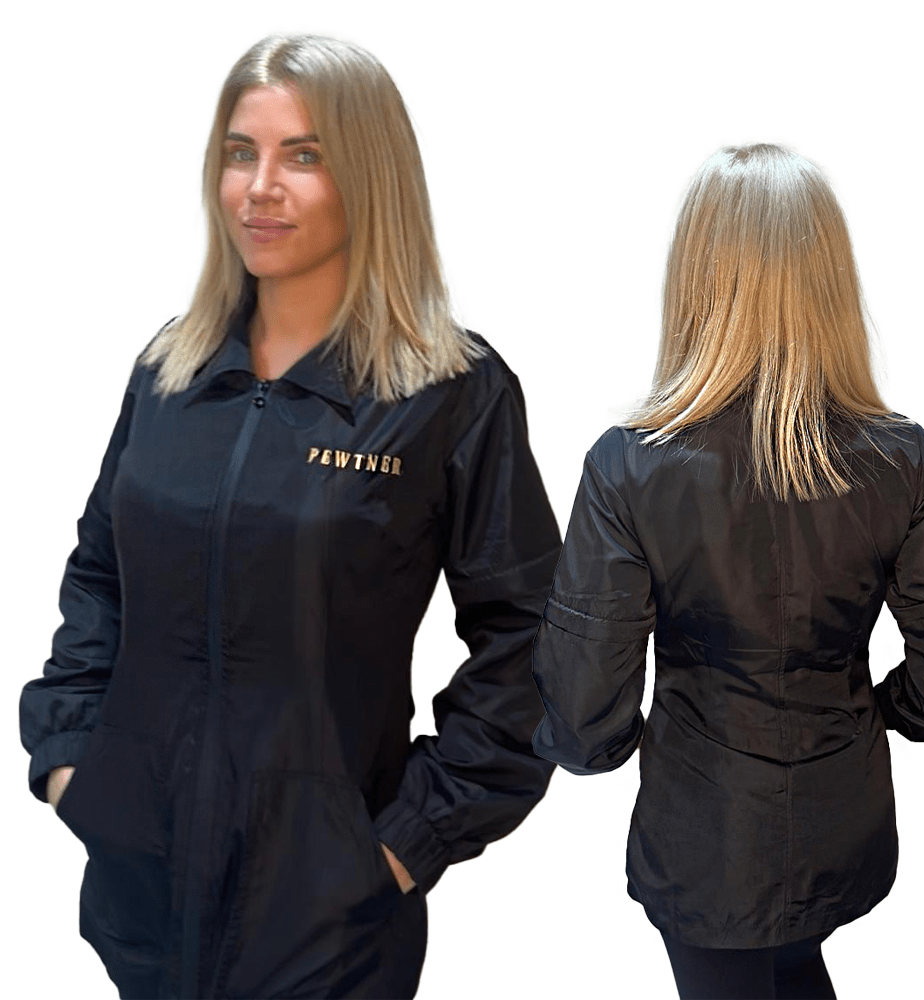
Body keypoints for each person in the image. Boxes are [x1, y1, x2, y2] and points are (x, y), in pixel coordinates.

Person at [19, 33, 561, 1000]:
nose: (259, 188)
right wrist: (72, 762)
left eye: (303, 156)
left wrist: (404, 841)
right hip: (141, 904)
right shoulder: (170, 373)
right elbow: (99, 576)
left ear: (370, 178)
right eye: (241, 153)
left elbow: (532, 640)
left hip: (326, 930)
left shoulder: (449, 394)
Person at [529, 143, 924, 1000]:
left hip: (704, 836)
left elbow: (587, 721)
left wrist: (622, 740)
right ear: (829, 280)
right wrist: (867, 715)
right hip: (842, 815)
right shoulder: (906, 462)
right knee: (791, 967)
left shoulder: (629, 468)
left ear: (694, 278)